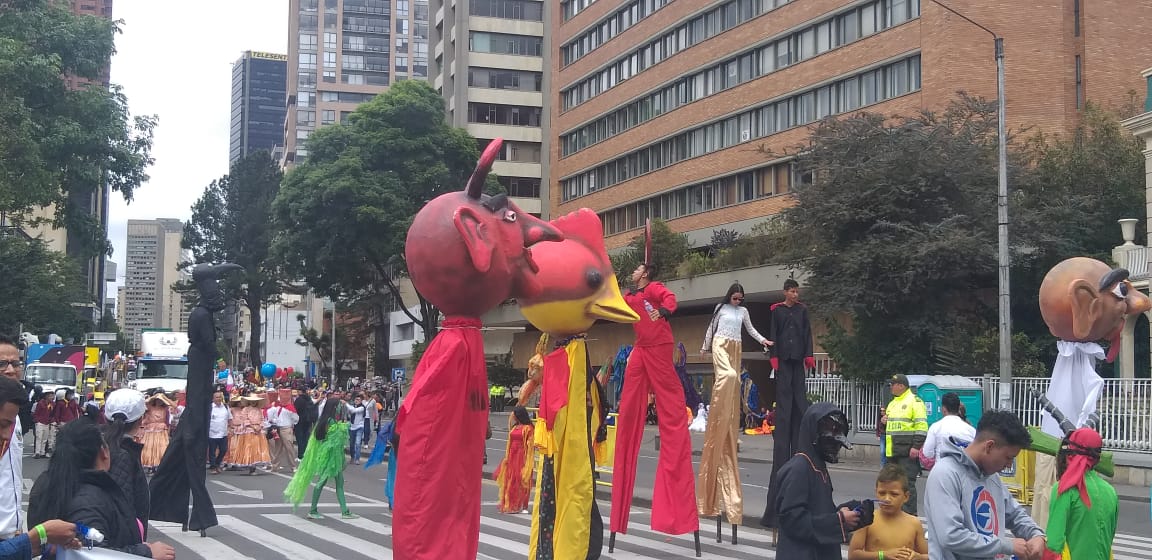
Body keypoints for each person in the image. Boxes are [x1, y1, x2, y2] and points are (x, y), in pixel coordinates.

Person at [612, 261, 698, 537]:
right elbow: (615, 303)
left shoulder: (654, 289)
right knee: (628, 403)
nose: (634, 272)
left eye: (638, 269)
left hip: (660, 346)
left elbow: (670, 299)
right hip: (640, 348)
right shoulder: (631, 295)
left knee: (670, 403)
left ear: (646, 273)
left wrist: (662, 311)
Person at [27, 420, 176, 560]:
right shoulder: (88, 499)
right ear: (103, 451)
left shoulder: (49, 484)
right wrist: (147, 552)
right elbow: (92, 553)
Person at [924, 410, 1046, 560]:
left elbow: (1015, 514)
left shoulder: (992, 476)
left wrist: (1036, 534)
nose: (1009, 465)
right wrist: (1006, 545)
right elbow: (951, 535)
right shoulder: (945, 474)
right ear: (989, 446)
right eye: (1008, 458)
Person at [698, 282, 771, 527]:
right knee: (727, 375)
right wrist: (705, 346)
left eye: (740, 299)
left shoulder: (743, 312)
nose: (737, 301)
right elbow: (711, 328)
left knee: (736, 380)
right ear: (729, 296)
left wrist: (764, 340)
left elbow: (751, 330)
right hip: (720, 344)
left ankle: (728, 414)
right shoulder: (721, 308)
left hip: (735, 347)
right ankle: (716, 409)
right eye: (735, 298)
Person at [774, 402, 863, 559]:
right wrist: (839, 520)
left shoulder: (818, 467)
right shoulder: (799, 469)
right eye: (831, 442)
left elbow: (818, 511)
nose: (836, 449)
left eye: (838, 444)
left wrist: (847, 513)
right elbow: (793, 521)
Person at [762, 278, 816, 528]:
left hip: (798, 356)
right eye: (792, 291)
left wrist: (809, 355)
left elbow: (807, 333)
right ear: (785, 292)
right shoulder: (778, 311)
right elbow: (774, 334)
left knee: (798, 392)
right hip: (783, 356)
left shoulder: (802, 311)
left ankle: (800, 415)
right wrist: (774, 357)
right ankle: (784, 418)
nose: (795, 294)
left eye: (797, 291)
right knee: (784, 393)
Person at [1043, 427, 1116, 560]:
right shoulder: (1110, 492)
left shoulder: (1065, 488)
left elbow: (1053, 545)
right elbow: (1108, 539)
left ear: (1069, 455)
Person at [284, 398, 357, 520]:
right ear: (334, 407)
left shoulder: (330, 420)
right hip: (329, 457)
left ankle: (344, 511)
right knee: (322, 482)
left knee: (339, 483)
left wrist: (342, 457)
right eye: (339, 405)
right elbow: (331, 441)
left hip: (335, 457)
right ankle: (313, 510)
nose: (341, 407)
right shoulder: (330, 421)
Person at [848, 464, 928, 560]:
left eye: (894, 494)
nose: (887, 499)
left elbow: (927, 556)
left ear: (906, 497)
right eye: (882, 493)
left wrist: (918, 557)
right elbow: (853, 555)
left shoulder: (914, 523)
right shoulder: (868, 520)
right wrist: (883, 555)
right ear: (876, 492)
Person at [102, 389, 150, 538]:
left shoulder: (100, 445)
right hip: (121, 540)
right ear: (141, 420)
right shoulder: (123, 454)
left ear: (105, 417)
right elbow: (125, 508)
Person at [882, 374, 929, 515]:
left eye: (893, 384)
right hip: (892, 452)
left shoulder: (915, 402)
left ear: (901, 386)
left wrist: (916, 446)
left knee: (907, 484)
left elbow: (921, 426)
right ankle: (895, 513)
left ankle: (909, 516)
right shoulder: (893, 403)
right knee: (891, 484)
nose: (891, 387)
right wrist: (884, 422)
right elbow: (892, 427)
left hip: (907, 451)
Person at [920, 392, 974, 470]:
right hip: (965, 472)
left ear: (943, 409)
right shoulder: (971, 430)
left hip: (942, 471)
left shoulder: (935, 427)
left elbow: (927, 453)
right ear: (958, 408)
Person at [495, 407, 534, 514]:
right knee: (511, 479)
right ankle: (511, 503)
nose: (513, 417)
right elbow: (510, 442)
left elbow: (530, 446)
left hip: (522, 456)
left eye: (515, 415)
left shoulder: (528, 428)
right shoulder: (515, 427)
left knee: (522, 479)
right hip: (512, 455)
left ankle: (524, 505)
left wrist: (528, 460)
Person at [139, 392, 172, 472]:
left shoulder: (165, 409)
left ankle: (159, 465)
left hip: (161, 431)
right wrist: (153, 397)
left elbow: (174, 407)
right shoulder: (149, 407)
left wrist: (164, 397)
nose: (159, 401)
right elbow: (143, 404)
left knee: (162, 448)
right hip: (150, 431)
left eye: (161, 400)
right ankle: (149, 466)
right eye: (157, 400)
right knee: (149, 448)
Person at [207, 391, 231, 474]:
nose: (218, 399)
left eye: (220, 397)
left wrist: (230, 428)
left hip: (223, 433)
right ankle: (213, 467)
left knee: (223, 450)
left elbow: (230, 419)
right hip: (212, 433)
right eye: (217, 397)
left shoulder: (225, 407)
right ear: (213, 399)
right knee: (212, 451)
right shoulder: (209, 407)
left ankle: (217, 463)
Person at [293, 388, 317, 460]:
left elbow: (295, 410)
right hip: (308, 421)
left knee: (300, 439)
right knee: (306, 438)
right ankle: (306, 454)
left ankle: (300, 455)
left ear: (300, 392)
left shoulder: (299, 400)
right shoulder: (309, 399)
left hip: (299, 421)